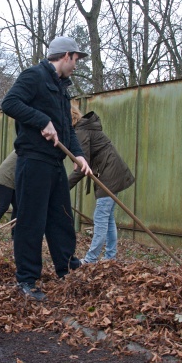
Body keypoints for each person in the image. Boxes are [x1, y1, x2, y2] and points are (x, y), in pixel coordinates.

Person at [0, 36, 92, 301]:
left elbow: (65, 129)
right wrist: (42, 120)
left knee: (61, 218)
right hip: (33, 161)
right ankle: (27, 279)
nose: (76, 65)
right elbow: (9, 103)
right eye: (76, 60)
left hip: (55, 163)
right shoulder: (34, 76)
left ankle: (67, 268)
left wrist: (78, 155)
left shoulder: (61, 87)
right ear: (66, 56)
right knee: (32, 221)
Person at [68, 106, 135, 263]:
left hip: (109, 174)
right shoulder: (85, 128)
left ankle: (91, 259)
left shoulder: (81, 131)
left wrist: (63, 188)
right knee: (108, 217)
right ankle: (110, 257)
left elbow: (82, 168)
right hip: (111, 171)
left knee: (101, 217)